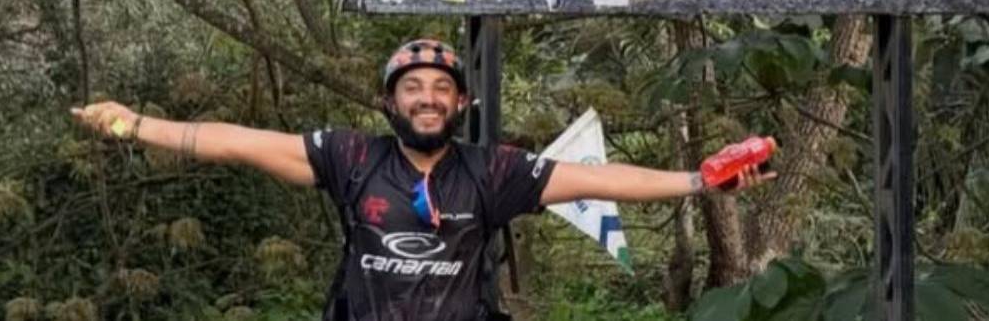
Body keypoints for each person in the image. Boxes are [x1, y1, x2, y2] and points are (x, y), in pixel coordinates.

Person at [70, 38, 776, 321]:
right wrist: (140, 125)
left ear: (460, 103)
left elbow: (600, 178)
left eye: (441, 86)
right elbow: (241, 143)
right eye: (411, 87)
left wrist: (696, 182)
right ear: (389, 103)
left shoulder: (492, 170)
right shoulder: (351, 158)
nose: (427, 97)